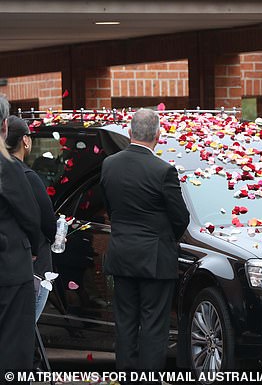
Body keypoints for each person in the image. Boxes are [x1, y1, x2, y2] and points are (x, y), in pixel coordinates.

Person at [101, 109, 190, 376]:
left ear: (130, 133)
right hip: (154, 258)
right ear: (158, 135)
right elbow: (181, 218)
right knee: (153, 324)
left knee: (125, 322)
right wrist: (166, 239)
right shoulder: (163, 171)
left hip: (121, 254)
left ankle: (127, 376)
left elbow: (109, 208)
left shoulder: (109, 165)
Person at [0, 97, 42, 375]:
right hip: (9, 267)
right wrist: (34, 247)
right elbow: (31, 216)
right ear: (4, 125)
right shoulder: (8, 169)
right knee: (12, 349)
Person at [6, 115, 57, 321]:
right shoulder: (27, 177)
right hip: (31, 266)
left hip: (8, 262)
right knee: (23, 328)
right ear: (25, 140)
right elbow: (46, 223)